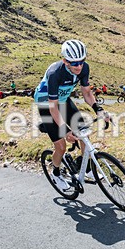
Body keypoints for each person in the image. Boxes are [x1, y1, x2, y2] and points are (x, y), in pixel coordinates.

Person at [34, 40, 110, 191]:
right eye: (74, 63)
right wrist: (65, 131)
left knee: (83, 132)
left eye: (82, 61)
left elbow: (87, 92)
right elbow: (53, 107)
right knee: (61, 146)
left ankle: (86, 168)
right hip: (47, 104)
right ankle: (55, 173)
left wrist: (99, 109)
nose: (79, 66)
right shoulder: (55, 73)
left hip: (63, 101)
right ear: (65, 61)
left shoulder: (83, 69)